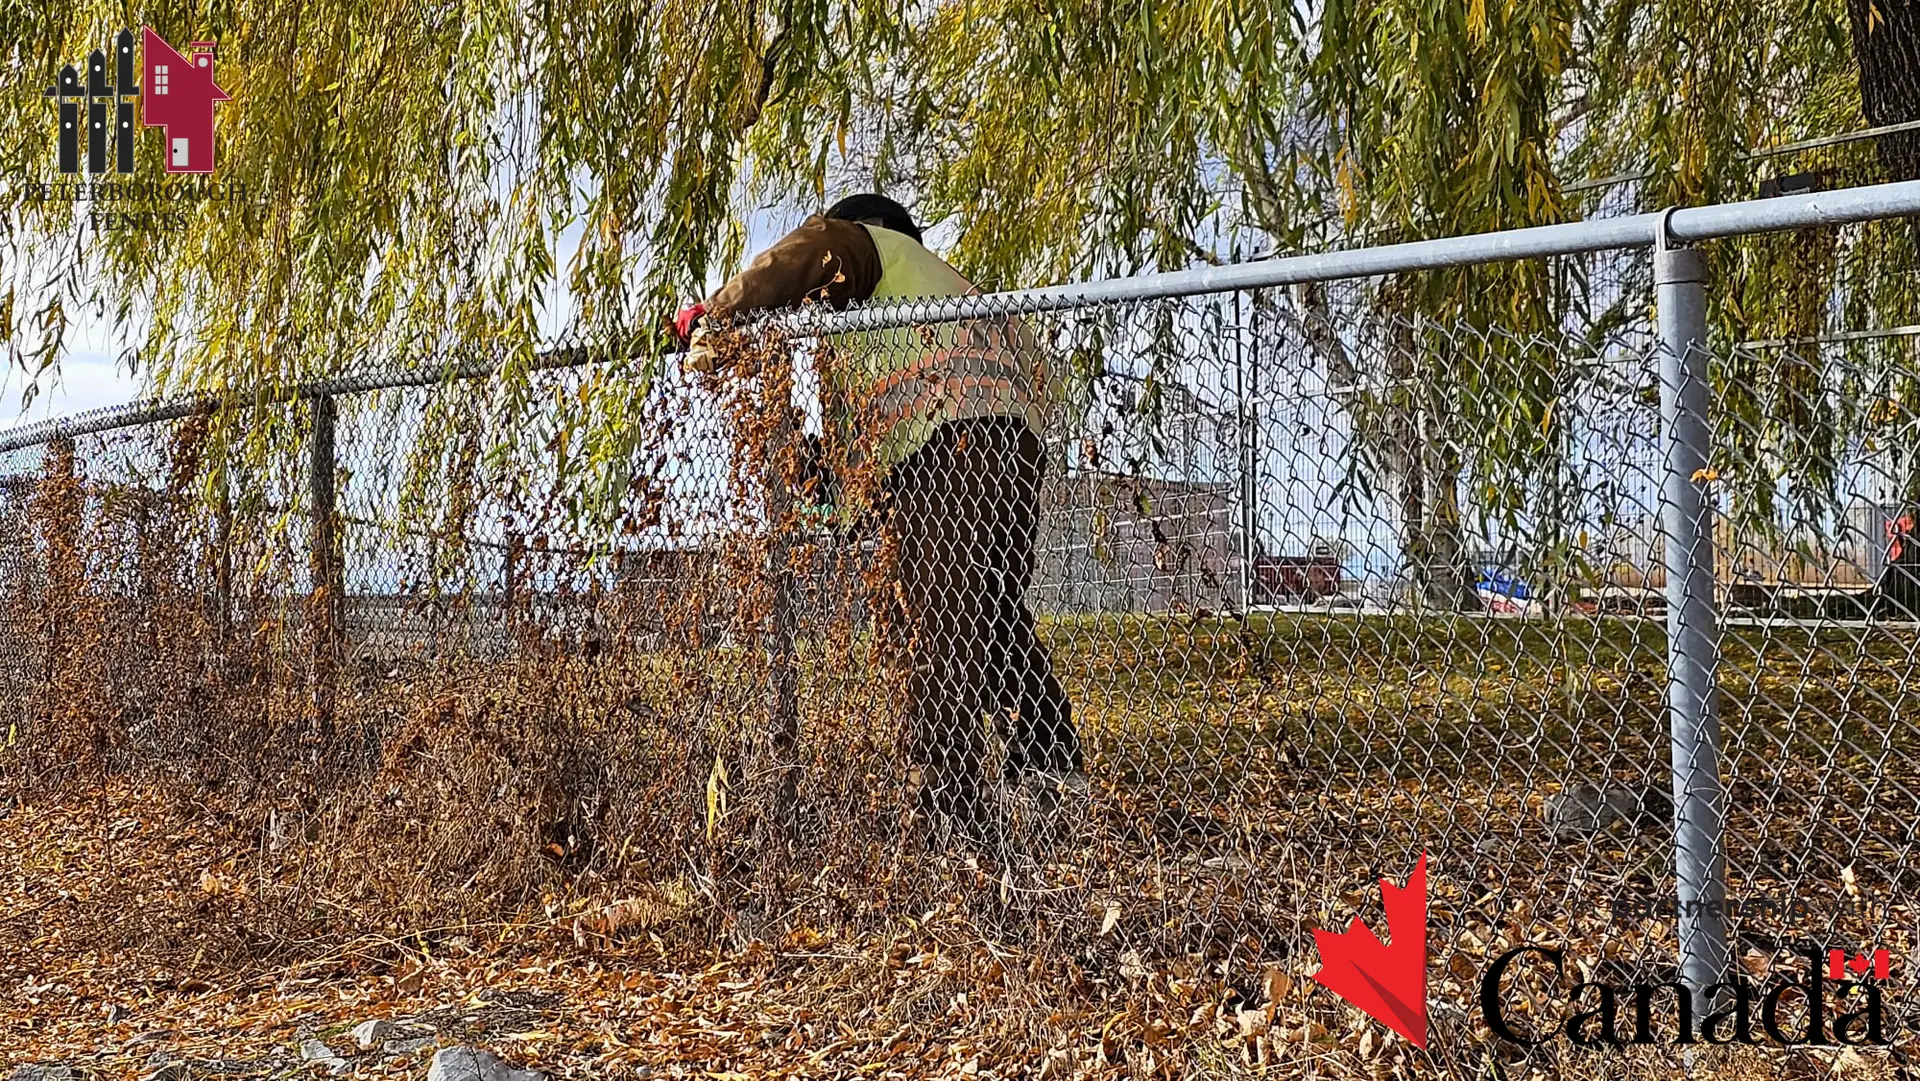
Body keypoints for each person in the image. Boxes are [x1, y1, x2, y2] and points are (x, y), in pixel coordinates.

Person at [674, 193, 1082, 840]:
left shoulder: (876, 247)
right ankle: (1051, 763)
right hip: (1016, 452)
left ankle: (951, 819)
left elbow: (811, 252)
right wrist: (805, 462)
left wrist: (715, 316)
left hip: (949, 446)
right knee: (994, 608)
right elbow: (847, 482)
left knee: (928, 625)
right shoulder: (945, 299)